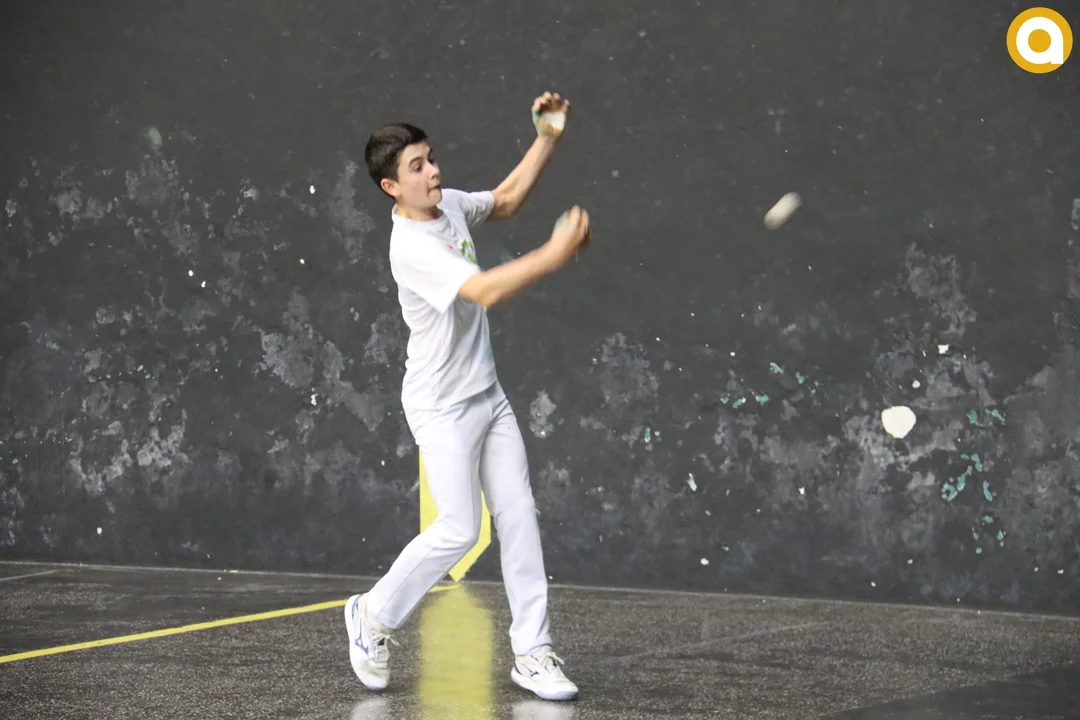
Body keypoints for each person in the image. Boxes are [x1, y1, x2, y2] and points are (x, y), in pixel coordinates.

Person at [344, 91, 591, 702]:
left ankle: (532, 652)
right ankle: (372, 614)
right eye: (417, 167)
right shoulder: (411, 248)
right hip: (441, 406)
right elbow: (484, 291)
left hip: (487, 394)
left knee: (519, 514)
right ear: (390, 188)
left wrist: (547, 138)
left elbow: (504, 200)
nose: (433, 172)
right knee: (458, 529)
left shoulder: (448, 205)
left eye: (430, 158)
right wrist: (553, 254)